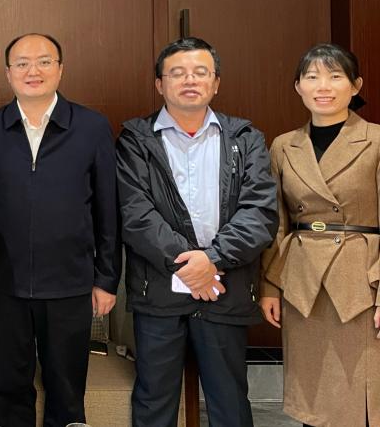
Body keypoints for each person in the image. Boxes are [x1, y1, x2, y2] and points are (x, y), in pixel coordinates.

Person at [116, 37, 277, 427]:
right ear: (160, 83)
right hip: (159, 289)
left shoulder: (245, 139)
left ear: (216, 83)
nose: (190, 80)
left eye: (200, 72)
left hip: (225, 285)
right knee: (154, 401)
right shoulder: (135, 140)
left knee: (230, 403)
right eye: (178, 73)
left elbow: (259, 213)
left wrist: (213, 261)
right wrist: (191, 267)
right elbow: (135, 214)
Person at [0, 33, 120, 427]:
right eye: (21, 63)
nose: (32, 71)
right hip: (4, 283)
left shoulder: (91, 127)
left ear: (60, 69)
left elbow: (108, 210)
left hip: (70, 282)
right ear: (8, 73)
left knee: (67, 390)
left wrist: (106, 279)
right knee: (10, 388)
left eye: (43, 61)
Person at [259, 43, 379, 426]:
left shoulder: (376, 140)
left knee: (361, 396)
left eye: (335, 76)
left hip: (361, 282)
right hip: (303, 282)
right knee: (314, 400)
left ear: (356, 85)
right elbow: (277, 223)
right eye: (312, 77)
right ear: (298, 86)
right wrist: (269, 286)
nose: (322, 86)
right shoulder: (283, 145)